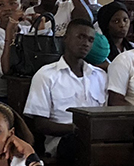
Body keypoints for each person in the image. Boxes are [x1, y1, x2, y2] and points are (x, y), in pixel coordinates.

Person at [24, 18, 106, 158]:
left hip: (98, 139)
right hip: (62, 142)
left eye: (90, 40)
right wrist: (77, 129)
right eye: (80, 37)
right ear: (65, 38)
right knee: (80, 145)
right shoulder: (46, 75)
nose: (85, 43)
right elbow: (41, 124)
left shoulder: (100, 76)